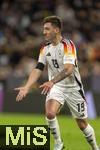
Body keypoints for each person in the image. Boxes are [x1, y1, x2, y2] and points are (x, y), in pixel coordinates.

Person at [15, 16, 99, 150]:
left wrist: (51, 81)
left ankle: (95, 147)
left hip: (73, 88)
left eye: (47, 29)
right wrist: (27, 86)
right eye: (44, 29)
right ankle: (58, 143)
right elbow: (38, 68)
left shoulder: (68, 45)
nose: (44, 32)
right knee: (50, 113)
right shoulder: (45, 48)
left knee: (82, 124)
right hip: (56, 86)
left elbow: (69, 69)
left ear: (56, 30)